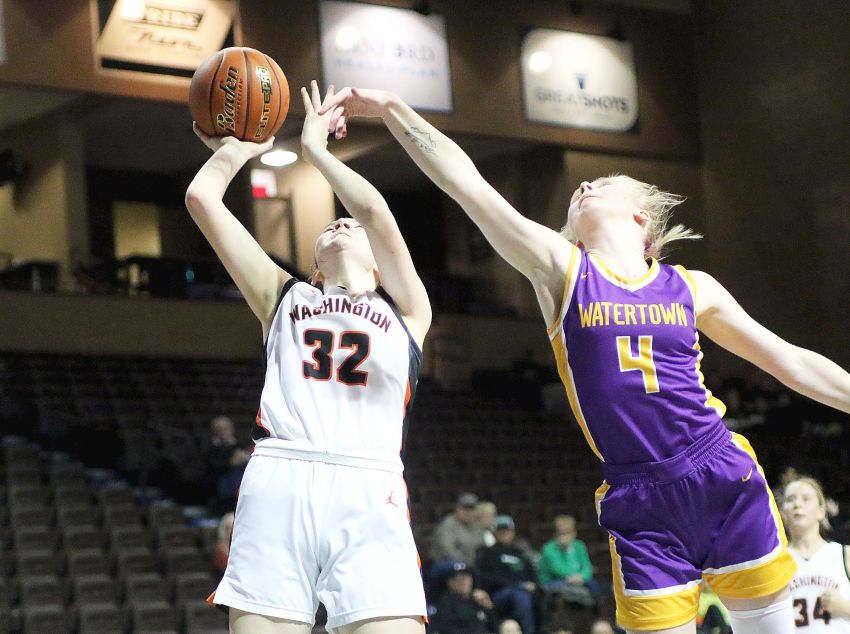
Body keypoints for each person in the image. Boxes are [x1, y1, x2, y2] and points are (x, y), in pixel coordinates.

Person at [319, 86, 850, 634]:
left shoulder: (693, 288)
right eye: (581, 187)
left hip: (720, 473)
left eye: (602, 182)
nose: (583, 184)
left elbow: (790, 362)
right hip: (638, 499)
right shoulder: (563, 271)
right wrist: (390, 109)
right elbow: (464, 181)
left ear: (641, 216)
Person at [186, 81, 431, 633]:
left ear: (379, 265)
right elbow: (202, 201)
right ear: (314, 268)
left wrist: (315, 150)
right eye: (330, 226)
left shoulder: (409, 312)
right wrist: (237, 147)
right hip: (281, 477)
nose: (343, 223)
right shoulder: (286, 298)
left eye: (352, 226)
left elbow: (372, 207)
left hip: (369, 486)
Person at [783, 476, 850, 632]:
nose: (797, 504)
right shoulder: (776, 562)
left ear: (821, 511)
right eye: (790, 499)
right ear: (783, 512)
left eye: (806, 499)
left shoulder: (844, 554)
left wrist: (846, 607)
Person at [475, 515, 538, 634]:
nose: (504, 534)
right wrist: (518, 585)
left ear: (513, 532)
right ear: (494, 533)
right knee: (521, 596)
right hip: (499, 594)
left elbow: (532, 575)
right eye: (500, 531)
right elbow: (487, 578)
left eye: (507, 531)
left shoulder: (520, 553)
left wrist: (534, 586)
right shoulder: (487, 553)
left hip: (524, 590)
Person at [537, 515, 595, 606]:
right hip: (553, 581)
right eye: (561, 533)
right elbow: (558, 570)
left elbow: (587, 568)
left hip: (576, 580)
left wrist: (581, 577)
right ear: (555, 533)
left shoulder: (579, 546)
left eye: (567, 532)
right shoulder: (548, 549)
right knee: (570, 590)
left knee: (593, 585)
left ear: (574, 533)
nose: (564, 536)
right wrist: (567, 551)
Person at [428, 562, 495, 634]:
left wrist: (489, 607)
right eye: (455, 577)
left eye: (465, 576)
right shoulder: (446, 605)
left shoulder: (479, 599)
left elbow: (495, 627)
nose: (462, 581)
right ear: (448, 582)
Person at [206, 415, 251, 513]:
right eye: (220, 429)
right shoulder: (210, 448)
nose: (224, 432)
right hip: (221, 488)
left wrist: (246, 458)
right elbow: (213, 467)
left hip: (241, 484)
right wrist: (231, 462)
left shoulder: (239, 444)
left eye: (226, 428)